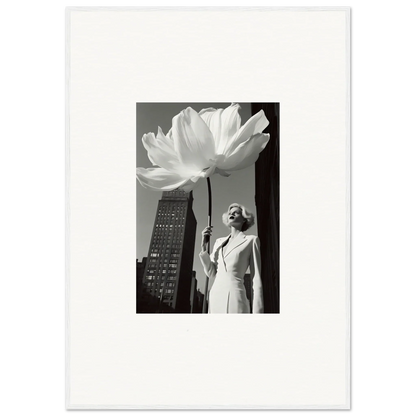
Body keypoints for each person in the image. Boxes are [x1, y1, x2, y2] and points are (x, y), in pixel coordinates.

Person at [199, 203, 264, 313]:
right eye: (230, 213)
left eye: (236, 212)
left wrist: (258, 313)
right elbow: (211, 273)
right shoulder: (219, 242)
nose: (231, 214)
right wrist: (203, 247)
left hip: (235, 297)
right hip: (215, 296)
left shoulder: (251, 240)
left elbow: (256, 279)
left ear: (244, 219)